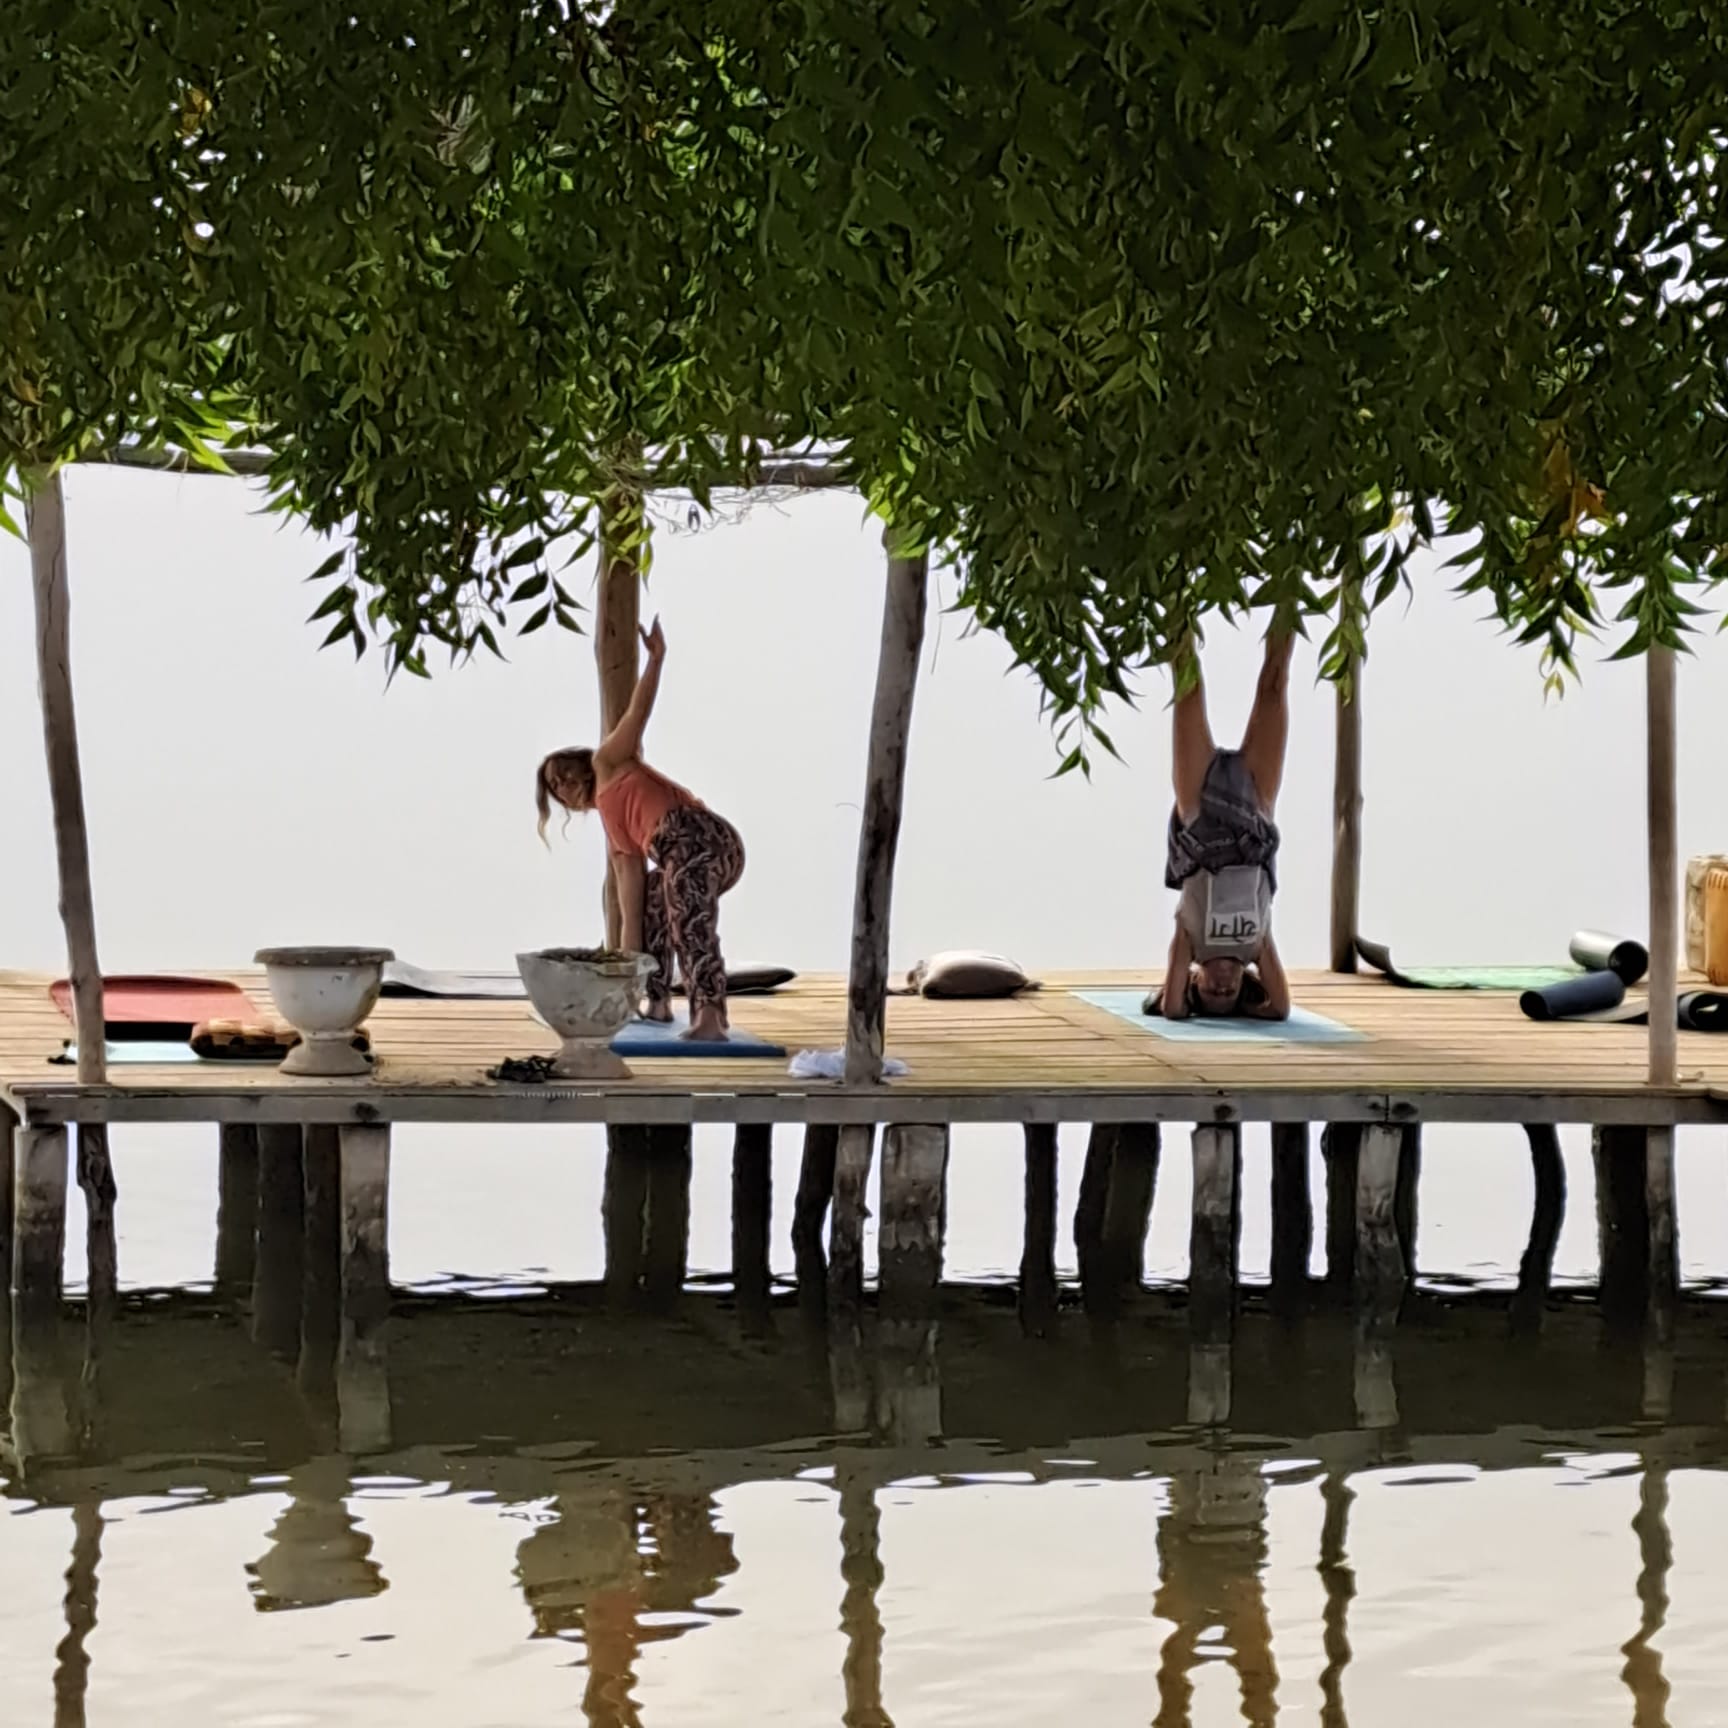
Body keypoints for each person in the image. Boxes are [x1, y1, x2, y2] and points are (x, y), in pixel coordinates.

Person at [535, 618, 744, 1041]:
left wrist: (656, 659)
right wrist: (627, 980)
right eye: (554, 788)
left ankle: (709, 1015)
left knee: (686, 909)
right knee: (652, 901)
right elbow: (631, 916)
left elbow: (637, 713)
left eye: (564, 776)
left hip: (701, 836)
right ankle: (658, 1002)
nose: (564, 787)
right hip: (671, 853)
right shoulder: (619, 839)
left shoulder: (608, 763)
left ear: (581, 766)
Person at [1155, 619, 1295, 1020]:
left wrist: (1186, 1007)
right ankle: (1289, 583)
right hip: (1254, 818)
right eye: (1230, 995)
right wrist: (1250, 1014)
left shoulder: (1191, 943)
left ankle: (1175, 592)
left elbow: (1173, 1009)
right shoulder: (1256, 947)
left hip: (1200, 817)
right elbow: (1281, 1009)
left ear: (1194, 980)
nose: (1223, 987)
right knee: (1274, 684)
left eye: (1212, 994)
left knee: (1187, 688)